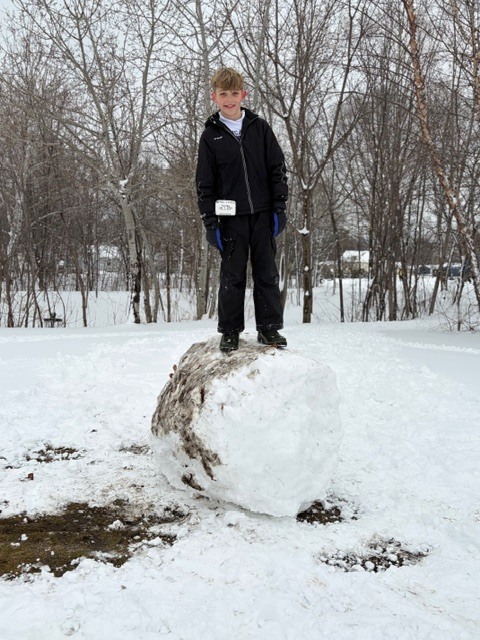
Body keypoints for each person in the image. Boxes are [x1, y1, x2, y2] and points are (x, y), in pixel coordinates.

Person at [196, 67, 288, 352]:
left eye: (234, 93)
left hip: (262, 215)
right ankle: (230, 331)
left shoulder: (259, 128)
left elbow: (277, 170)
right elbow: (204, 183)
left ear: (243, 94)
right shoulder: (211, 136)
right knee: (232, 276)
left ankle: (269, 328)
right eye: (223, 94)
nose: (229, 99)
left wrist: (279, 208)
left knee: (266, 273)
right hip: (230, 219)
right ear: (214, 97)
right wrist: (211, 223)